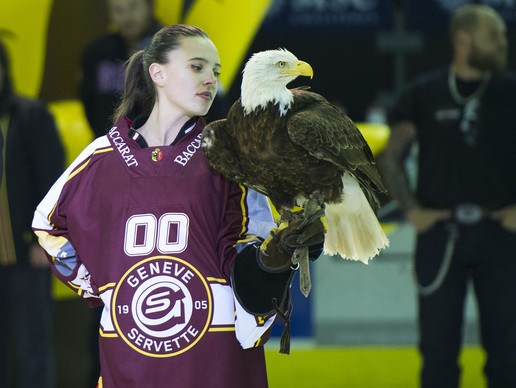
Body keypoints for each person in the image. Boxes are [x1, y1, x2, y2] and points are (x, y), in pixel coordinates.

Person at [33, 24, 324, 387]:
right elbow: (47, 224)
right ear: (158, 72)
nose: (210, 79)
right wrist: (98, 286)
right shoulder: (99, 159)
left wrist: (272, 263)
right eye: (196, 66)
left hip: (216, 362)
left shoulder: (228, 154)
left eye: (216, 71)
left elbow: (255, 254)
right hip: (128, 359)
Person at [377, 5, 516, 388]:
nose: (503, 42)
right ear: (464, 40)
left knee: (505, 351)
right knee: (438, 353)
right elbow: (391, 155)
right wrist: (411, 209)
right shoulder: (424, 93)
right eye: (495, 35)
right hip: (440, 236)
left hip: (499, 237)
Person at [0, 38, 64, 388]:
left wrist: (43, 239)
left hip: (27, 255)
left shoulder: (31, 116)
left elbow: (56, 183)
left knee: (32, 350)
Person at [81, 0, 227, 139]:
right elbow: (89, 104)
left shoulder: (181, 49)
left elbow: (213, 106)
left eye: (133, 6)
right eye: (118, 10)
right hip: (112, 148)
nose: (127, 17)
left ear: (150, 6)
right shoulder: (95, 54)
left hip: (173, 150)